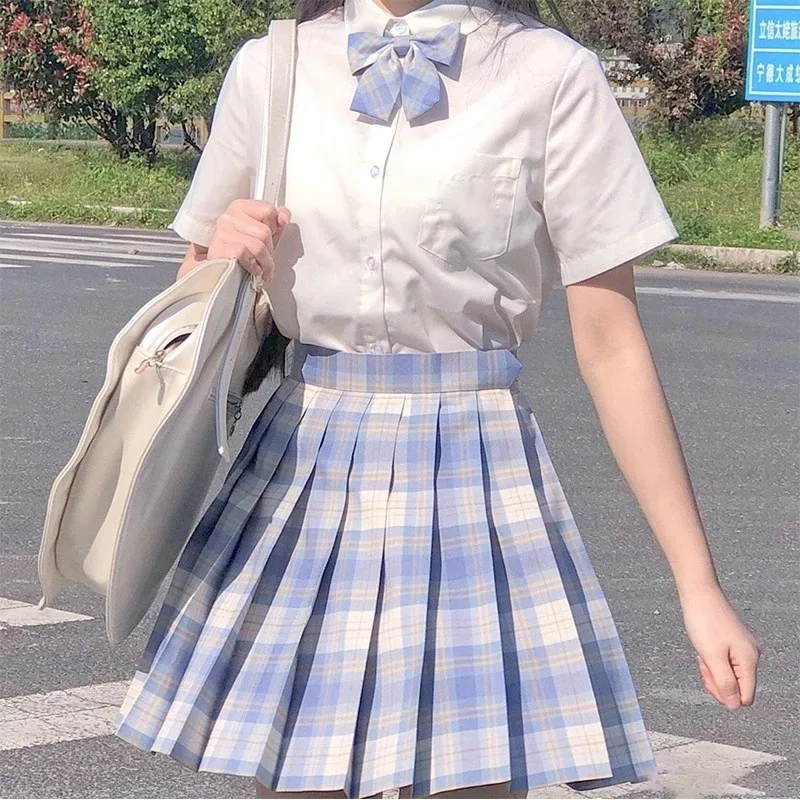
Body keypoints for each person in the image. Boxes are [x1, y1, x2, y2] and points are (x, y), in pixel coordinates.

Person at [113, 0, 761, 796]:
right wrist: (223, 252)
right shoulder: (271, 68)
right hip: (305, 462)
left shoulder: (551, 73)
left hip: (475, 468)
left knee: (472, 782)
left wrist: (699, 587)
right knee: (297, 779)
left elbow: (612, 346)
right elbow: (192, 309)